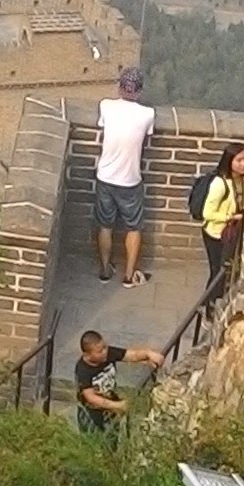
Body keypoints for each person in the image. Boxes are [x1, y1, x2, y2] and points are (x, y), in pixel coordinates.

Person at [93, 64, 156, 286]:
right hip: (130, 180)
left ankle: (104, 270)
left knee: (105, 225)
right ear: (140, 91)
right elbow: (147, 137)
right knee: (133, 227)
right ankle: (129, 276)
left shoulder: (106, 106)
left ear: (120, 87)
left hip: (105, 177)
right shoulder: (148, 114)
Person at [73, 326, 164, 432]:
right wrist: (117, 406)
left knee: (113, 435)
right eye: (99, 351)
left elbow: (131, 355)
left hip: (111, 406)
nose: (104, 352)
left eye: (104, 347)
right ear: (87, 354)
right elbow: (91, 397)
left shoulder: (108, 354)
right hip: (92, 415)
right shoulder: (83, 370)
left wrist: (149, 354)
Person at [199, 142, 244, 296]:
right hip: (216, 234)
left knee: (227, 269)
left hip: (233, 232)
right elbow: (207, 213)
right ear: (229, 161)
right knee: (217, 271)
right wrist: (230, 216)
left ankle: (218, 298)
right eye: (239, 160)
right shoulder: (220, 183)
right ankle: (209, 302)